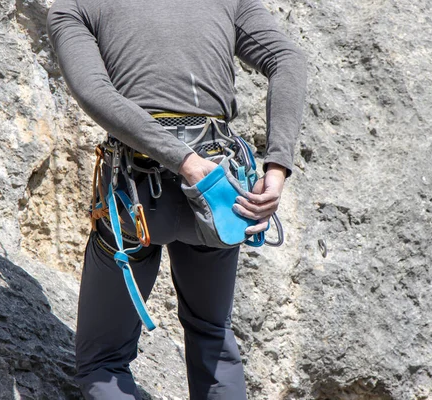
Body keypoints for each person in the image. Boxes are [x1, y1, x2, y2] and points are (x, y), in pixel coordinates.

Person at [47, 0, 307, 398]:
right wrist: (277, 167)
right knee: (212, 335)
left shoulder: (75, 6)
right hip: (217, 188)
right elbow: (286, 58)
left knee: (102, 362)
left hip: (136, 193)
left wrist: (182, 160)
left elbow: (93, 91)